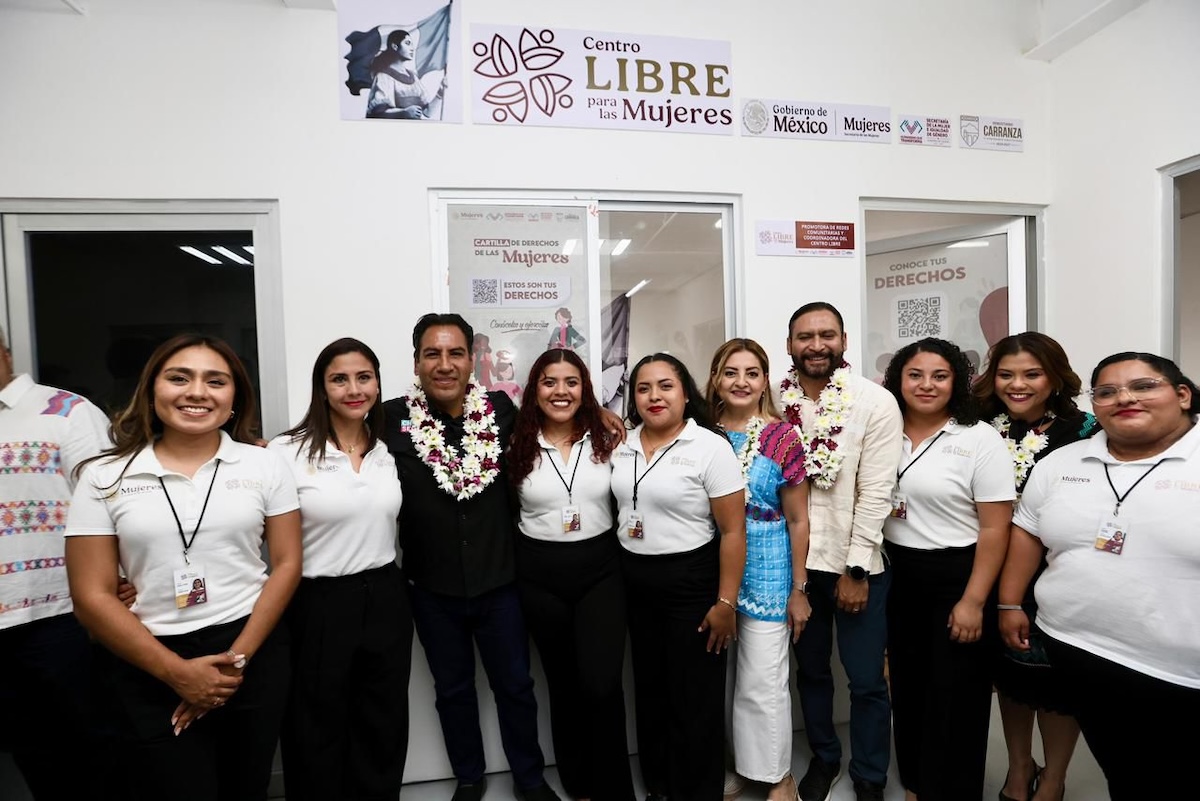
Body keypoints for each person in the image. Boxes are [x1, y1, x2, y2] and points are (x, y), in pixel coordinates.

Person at [64, 333, 302, 801]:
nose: (197, 392)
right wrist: (178, 674)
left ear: (234, 397)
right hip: (148, 659)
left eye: (215, 381)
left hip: (250, 650)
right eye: (179, 378)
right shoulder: (104, 475)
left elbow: (288, 563)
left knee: (245, 787)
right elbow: (90, 596)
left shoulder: (263, 464)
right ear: (152, 390)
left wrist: (235, 663)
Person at [1003, 352, 1200, 800]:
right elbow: (1028, 533)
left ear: (1183, 395)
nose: (1124, 398)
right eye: (1107, 392)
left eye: (1144, 386)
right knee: (1126, 774)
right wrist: (1010, 602)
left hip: (1181, 672)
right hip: (1079, 652)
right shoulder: (1063, 462)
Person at [382, 313, 561, 801]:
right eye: (432, 354)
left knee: (515, 687)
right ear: (416, 361)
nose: (444, 365)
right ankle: (469, 777)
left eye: (455, 353)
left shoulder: (502, 410)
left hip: (500, 583)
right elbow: (332, 437)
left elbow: (560, 422)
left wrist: (608, 417)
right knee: (453, 691)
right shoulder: (389, 419)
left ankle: (528, 777)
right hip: (431, 587)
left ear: (472, 359)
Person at [269, 338, 412, 801]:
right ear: (322, 388)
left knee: (383, 720)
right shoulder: (285, 452)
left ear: (377, 383)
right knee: (316, 723)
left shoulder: (388, 448)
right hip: (317, 602)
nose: (354, 389)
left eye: (364, 377)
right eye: (339, 379)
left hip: (386, 595)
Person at [881, 337, 1015, 801]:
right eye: (915, 375)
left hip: (958, 575)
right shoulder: (884, 429)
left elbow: (997, 528)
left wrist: (974, 601)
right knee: (910, 686)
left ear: (956, 381)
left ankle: (952, 790)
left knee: (956, 694)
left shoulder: (978, 438)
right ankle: (918, 781)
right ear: (897, 380)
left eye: (939, 375)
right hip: (898, 574)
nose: (926, 385)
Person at [780, 302, 902, 801]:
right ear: (789, 345)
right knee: (810, 672)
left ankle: (870, 775)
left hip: (858, 566)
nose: (815, 345)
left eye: (826, 334)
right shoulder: (772, 400)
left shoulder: (874, 402)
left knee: (867, 679)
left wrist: (855, 569)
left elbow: (876, 493)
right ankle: (825, 758)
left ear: (844, 341)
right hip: (797, 565)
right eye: (804, 336)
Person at [611, 352, 746, 801]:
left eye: (666, 386)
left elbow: (732, 531)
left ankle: (698, 791)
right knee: (650, 692)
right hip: (634, 581)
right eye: (644, 388)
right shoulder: (621, 444)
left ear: (686, 393)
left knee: (694, 699)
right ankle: (660, 786)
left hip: (691, 582)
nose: (655, 396)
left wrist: (725, 603)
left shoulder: (709, 446)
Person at [973, 332, 1098, 801]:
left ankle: (1056, 779)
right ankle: (1019, 769)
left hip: (1056, 573)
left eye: (1031, 374)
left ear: (1055, 377)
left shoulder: (1085, 430)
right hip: (989, 568)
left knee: (1057, 683)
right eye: (1006, 374)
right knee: (1012, 676)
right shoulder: (981, 425)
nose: (1017, 384)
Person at [507, 347, 634, 801]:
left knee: (601, 684)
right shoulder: (514, 441)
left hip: (601, 571)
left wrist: (608, 415)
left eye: (571, 382)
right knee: (562, 685)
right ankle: (579, 785)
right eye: (549, 382)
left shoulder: (609, 437)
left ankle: (614, 788)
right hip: (539, 576)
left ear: (584, 387)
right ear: (534, 391)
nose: (561, 392)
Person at [0, 323, 115, 800]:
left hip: (58, 617)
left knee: (88, 750)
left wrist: (115, 587)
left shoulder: (66, 410)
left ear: (3, 351)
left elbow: (111, 503)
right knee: (30, 753)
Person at [706, 339, 810, 801]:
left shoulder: (782, 436)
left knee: (762, 679)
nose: (741, 382)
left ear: (764, 380)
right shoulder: (701, 433)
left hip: (769, 571)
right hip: (712, 567)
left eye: (751, 373)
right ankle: (742, 767)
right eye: (731, 372)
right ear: (715, 379)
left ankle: (777, 775)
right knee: (719, 679)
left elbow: (799, 518)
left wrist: (799, 588)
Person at [366, 28, 446, 119]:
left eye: (412, 44)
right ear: (395, 46)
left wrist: (440, 92)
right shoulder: (384, 76)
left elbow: (427, 112)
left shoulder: (413, 77)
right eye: (407, 43)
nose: (412, 48)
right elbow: (378, 112)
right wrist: (403, 112)